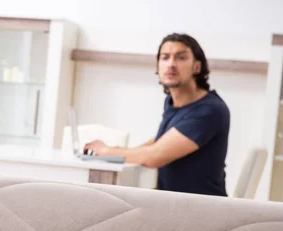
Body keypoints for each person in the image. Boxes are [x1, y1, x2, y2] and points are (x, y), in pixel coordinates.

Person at [84, 33, 230, 196]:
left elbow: (155, 156)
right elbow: (164, 139)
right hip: (172, 201)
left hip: (199, 209)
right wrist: (125, 151)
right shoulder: (173, 102)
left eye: (181, 58)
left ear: (197, 66)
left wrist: (105, 151)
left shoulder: (209, 110)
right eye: (165, 57)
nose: (171, 64)